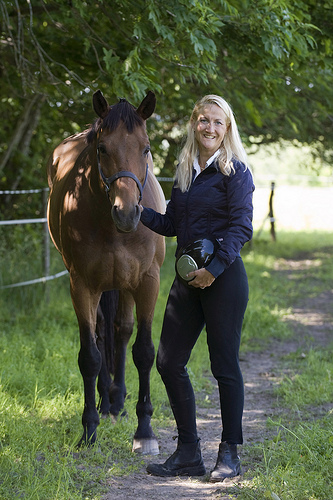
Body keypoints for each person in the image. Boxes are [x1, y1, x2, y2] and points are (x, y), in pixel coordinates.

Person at [140, 94, 254, 481]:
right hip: (188, 279)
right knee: (169, 361)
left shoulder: (235, 170)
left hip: (224, 279)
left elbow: (242, 227)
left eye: (217, 122)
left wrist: (215, 269)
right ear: (194, 124)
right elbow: (172, 225)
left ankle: (230, 454)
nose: (209, 127)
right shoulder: (186, 170)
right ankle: (188, 451)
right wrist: (136, 213)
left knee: (224, 366)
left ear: (228, 128)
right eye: (204, 120)